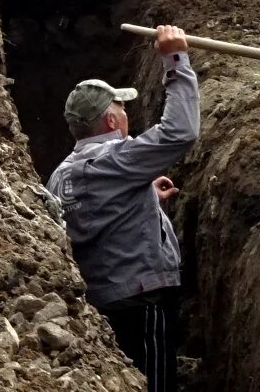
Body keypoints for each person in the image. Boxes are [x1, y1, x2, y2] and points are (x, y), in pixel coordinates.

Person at [46, 25, 198, 392]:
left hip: (102, 304)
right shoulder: (115, 160)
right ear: (111, 121)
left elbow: (92, 216)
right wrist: (176, 60)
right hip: (140, 302)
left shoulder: (61, 175)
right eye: (121, 107)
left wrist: (142, 196)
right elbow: (180, 132)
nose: (126, 112)